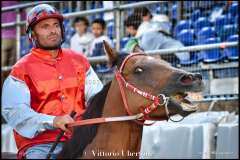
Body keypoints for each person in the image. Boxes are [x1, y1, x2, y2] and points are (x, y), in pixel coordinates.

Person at [1, 4, 103, 159]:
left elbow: (97, 98)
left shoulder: (80, 61)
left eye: (56, 25)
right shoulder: (20, 70)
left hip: (83, 140)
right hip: (41, 145)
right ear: (32, 34)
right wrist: (53, 121)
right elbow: (15, 112)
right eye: (45, 26)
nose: (53, 30)